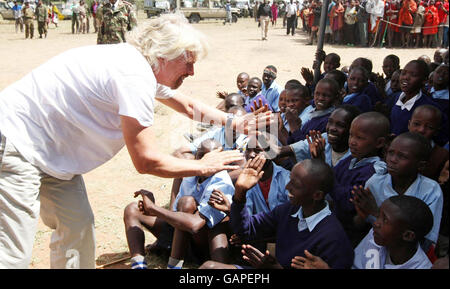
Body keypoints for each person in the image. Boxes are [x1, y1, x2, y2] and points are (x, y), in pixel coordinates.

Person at [0, 13, 271, 269]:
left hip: (52, 155)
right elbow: (146, 161)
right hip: (18, 145)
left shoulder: (137, 64)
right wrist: (204, 166)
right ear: (164, 54)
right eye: (188, 62)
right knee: (12, 252)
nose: (191, 72)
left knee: (78, 226)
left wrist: (233, 122)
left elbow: (188, 106)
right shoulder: (134, 76)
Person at [199, 157, 354, 269]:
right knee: (209, 267)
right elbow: (246, 229)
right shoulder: (289, 210)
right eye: (290, 180)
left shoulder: (333, 238)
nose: (287, 187)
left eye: (295, 185)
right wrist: (240, 193)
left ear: (317, 195)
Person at [125, 139, 235, 269]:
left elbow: (195, 225)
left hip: (204, 244)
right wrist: (151, 209)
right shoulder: (193, 172)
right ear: (196, 157)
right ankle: (138, 265)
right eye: (202, 156)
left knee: (188, 204)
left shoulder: (222, 182)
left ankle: (174, 265)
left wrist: (154, 209)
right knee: (132, 209)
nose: (207, 160)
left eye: (212, 156)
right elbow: (177, 213)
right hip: (182, 236)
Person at [352, 132, 443, 258]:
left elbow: (425, 241)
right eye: (390, 152)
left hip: (408, 256)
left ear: (420, 165)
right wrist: (363, 214)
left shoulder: (430, 190)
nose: (392, 160)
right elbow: (359, 225)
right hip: (374, 247)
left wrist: (376, 213)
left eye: (402, 156)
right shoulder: (375, 183)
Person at [293, 195, 434, 269]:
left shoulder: (422, 267)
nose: (376, 223)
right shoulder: (376, 238)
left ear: (408, 235)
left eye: (385, 220)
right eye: (378, 215)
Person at [330, 112, 389, 247]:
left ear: (379, 142)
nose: (352, 142)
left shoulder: (375, 171)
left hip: (354, 234)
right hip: (337, 223)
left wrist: (330, 180)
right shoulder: (351, 159)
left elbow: (347, 202)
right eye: (351, 135)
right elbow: (333, 177)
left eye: (360, 138)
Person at [390, 60, 448, 146]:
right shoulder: (395, 97)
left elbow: (442, 138)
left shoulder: (430, 108)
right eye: (403, 73)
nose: (406, 77)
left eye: (413, 75)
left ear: (424, 80)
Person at [282, 105, 361, 168]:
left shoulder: (355, 155)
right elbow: (288, 149)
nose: (332, 128)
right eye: (330, 122)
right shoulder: (323, 138)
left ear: (352, 130)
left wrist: (319, 160)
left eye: (340, 125)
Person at [287, 78, 339, 144]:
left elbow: (306, 148)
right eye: (317, 94)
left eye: (326, 95)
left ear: (336, 97)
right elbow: (290, 143)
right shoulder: (313, 113)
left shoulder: (328, 121)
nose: (320, 98)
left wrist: (294, 128)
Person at [408, 105, 449, 181]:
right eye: (417, 124)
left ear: (436, 131)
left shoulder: (443, 156)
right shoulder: (397, 145)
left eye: (429, 127)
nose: (421, 130)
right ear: (409, 124)